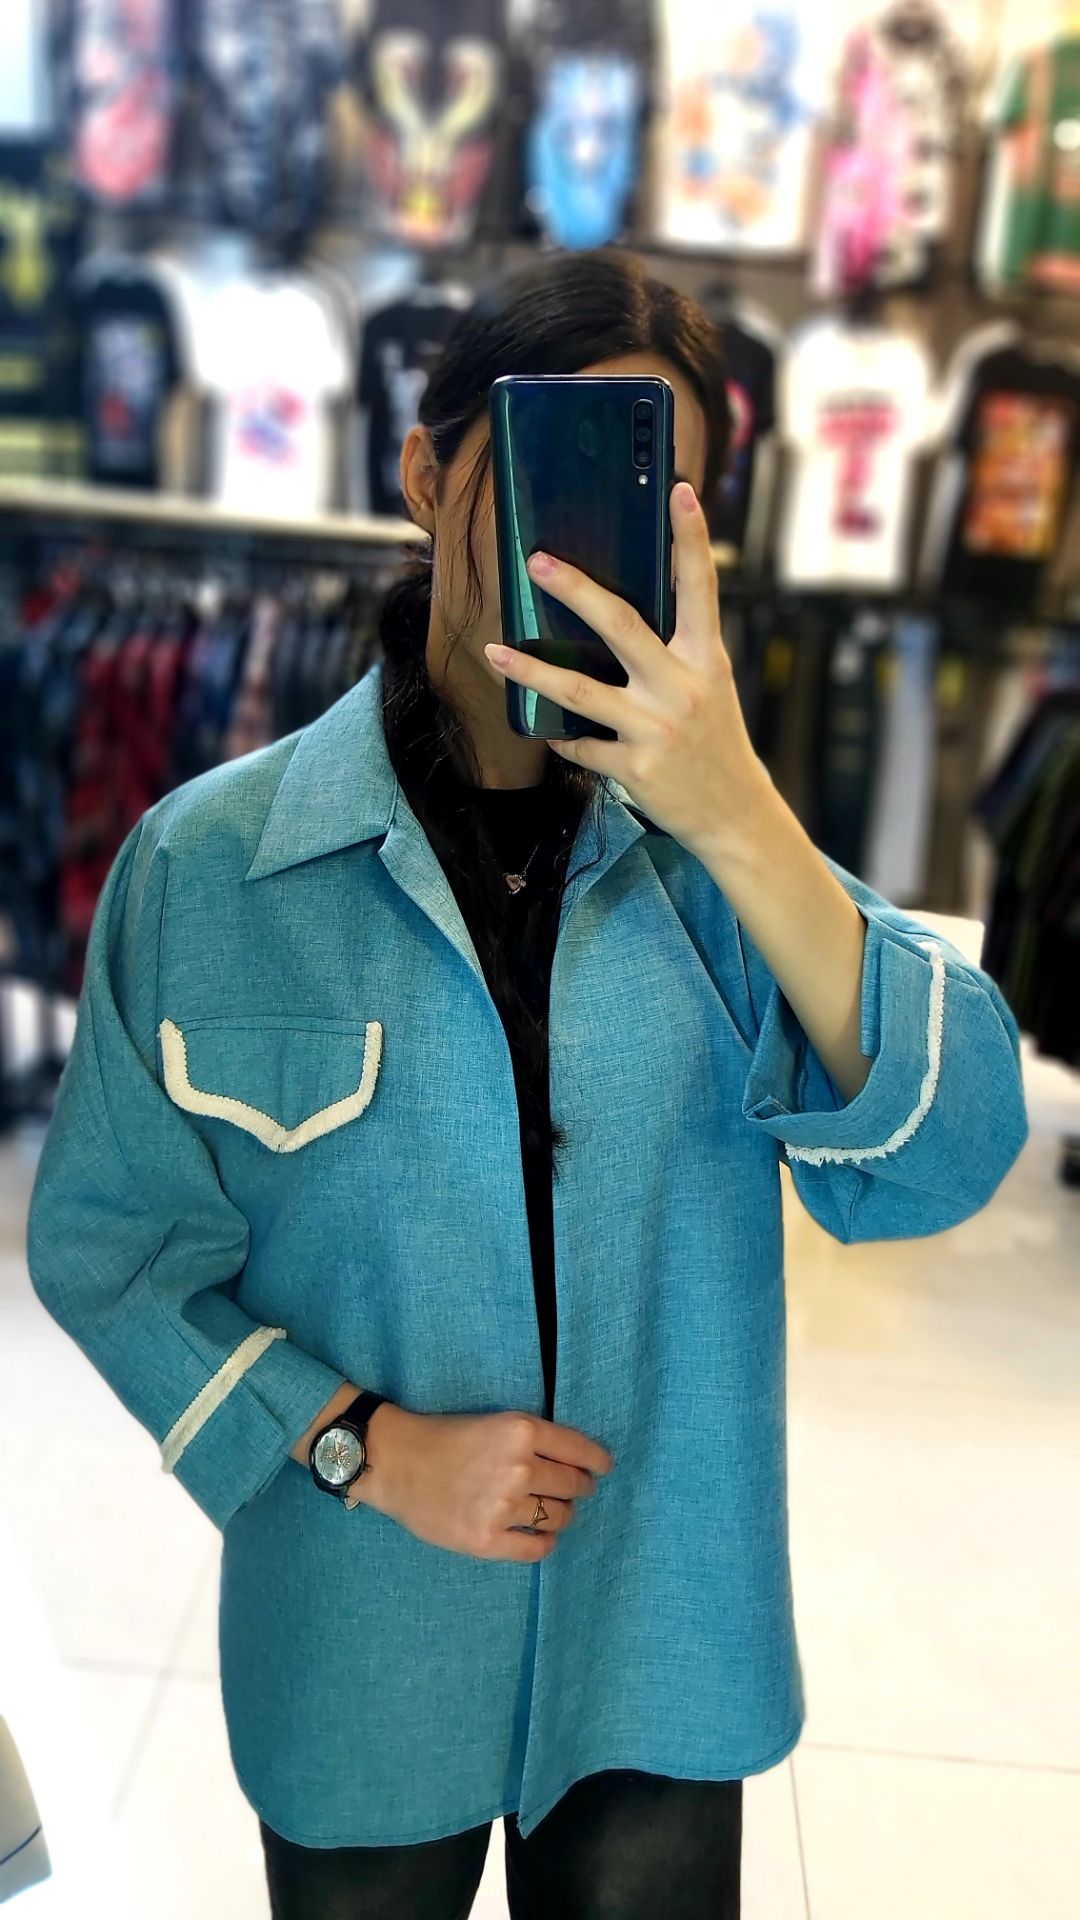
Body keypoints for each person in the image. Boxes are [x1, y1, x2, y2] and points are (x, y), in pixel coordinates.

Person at [25, 251, 1029, 1920]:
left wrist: (742, 813)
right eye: (549, 471)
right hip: (361, 1637)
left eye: (653, 494)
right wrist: (356, 1446)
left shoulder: (725, 876)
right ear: (425, 474)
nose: (585, 545)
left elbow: (957, 1144)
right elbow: (111, 1252)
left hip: (658, 1643)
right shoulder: (212, 871)